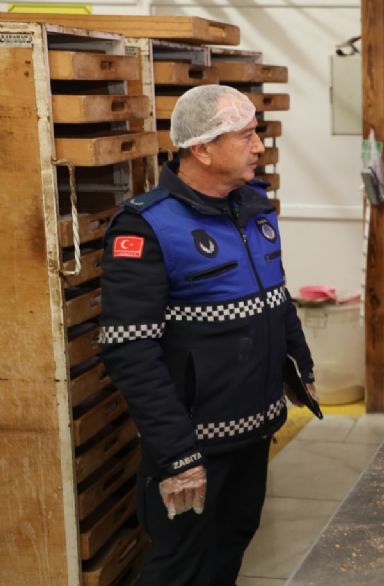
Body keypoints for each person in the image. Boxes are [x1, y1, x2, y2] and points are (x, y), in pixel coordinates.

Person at [99, 84, 317, 586]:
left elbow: (276, 297)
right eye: (245, 136)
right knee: (180, 568)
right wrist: (178, 454)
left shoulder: (254, 207)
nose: (258, 146)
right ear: (202, 148)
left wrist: (299, 365)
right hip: (193, 447)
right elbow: (130, 349)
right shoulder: (146, 226)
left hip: (254, 432)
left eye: (257, 132)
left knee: (231, 547)